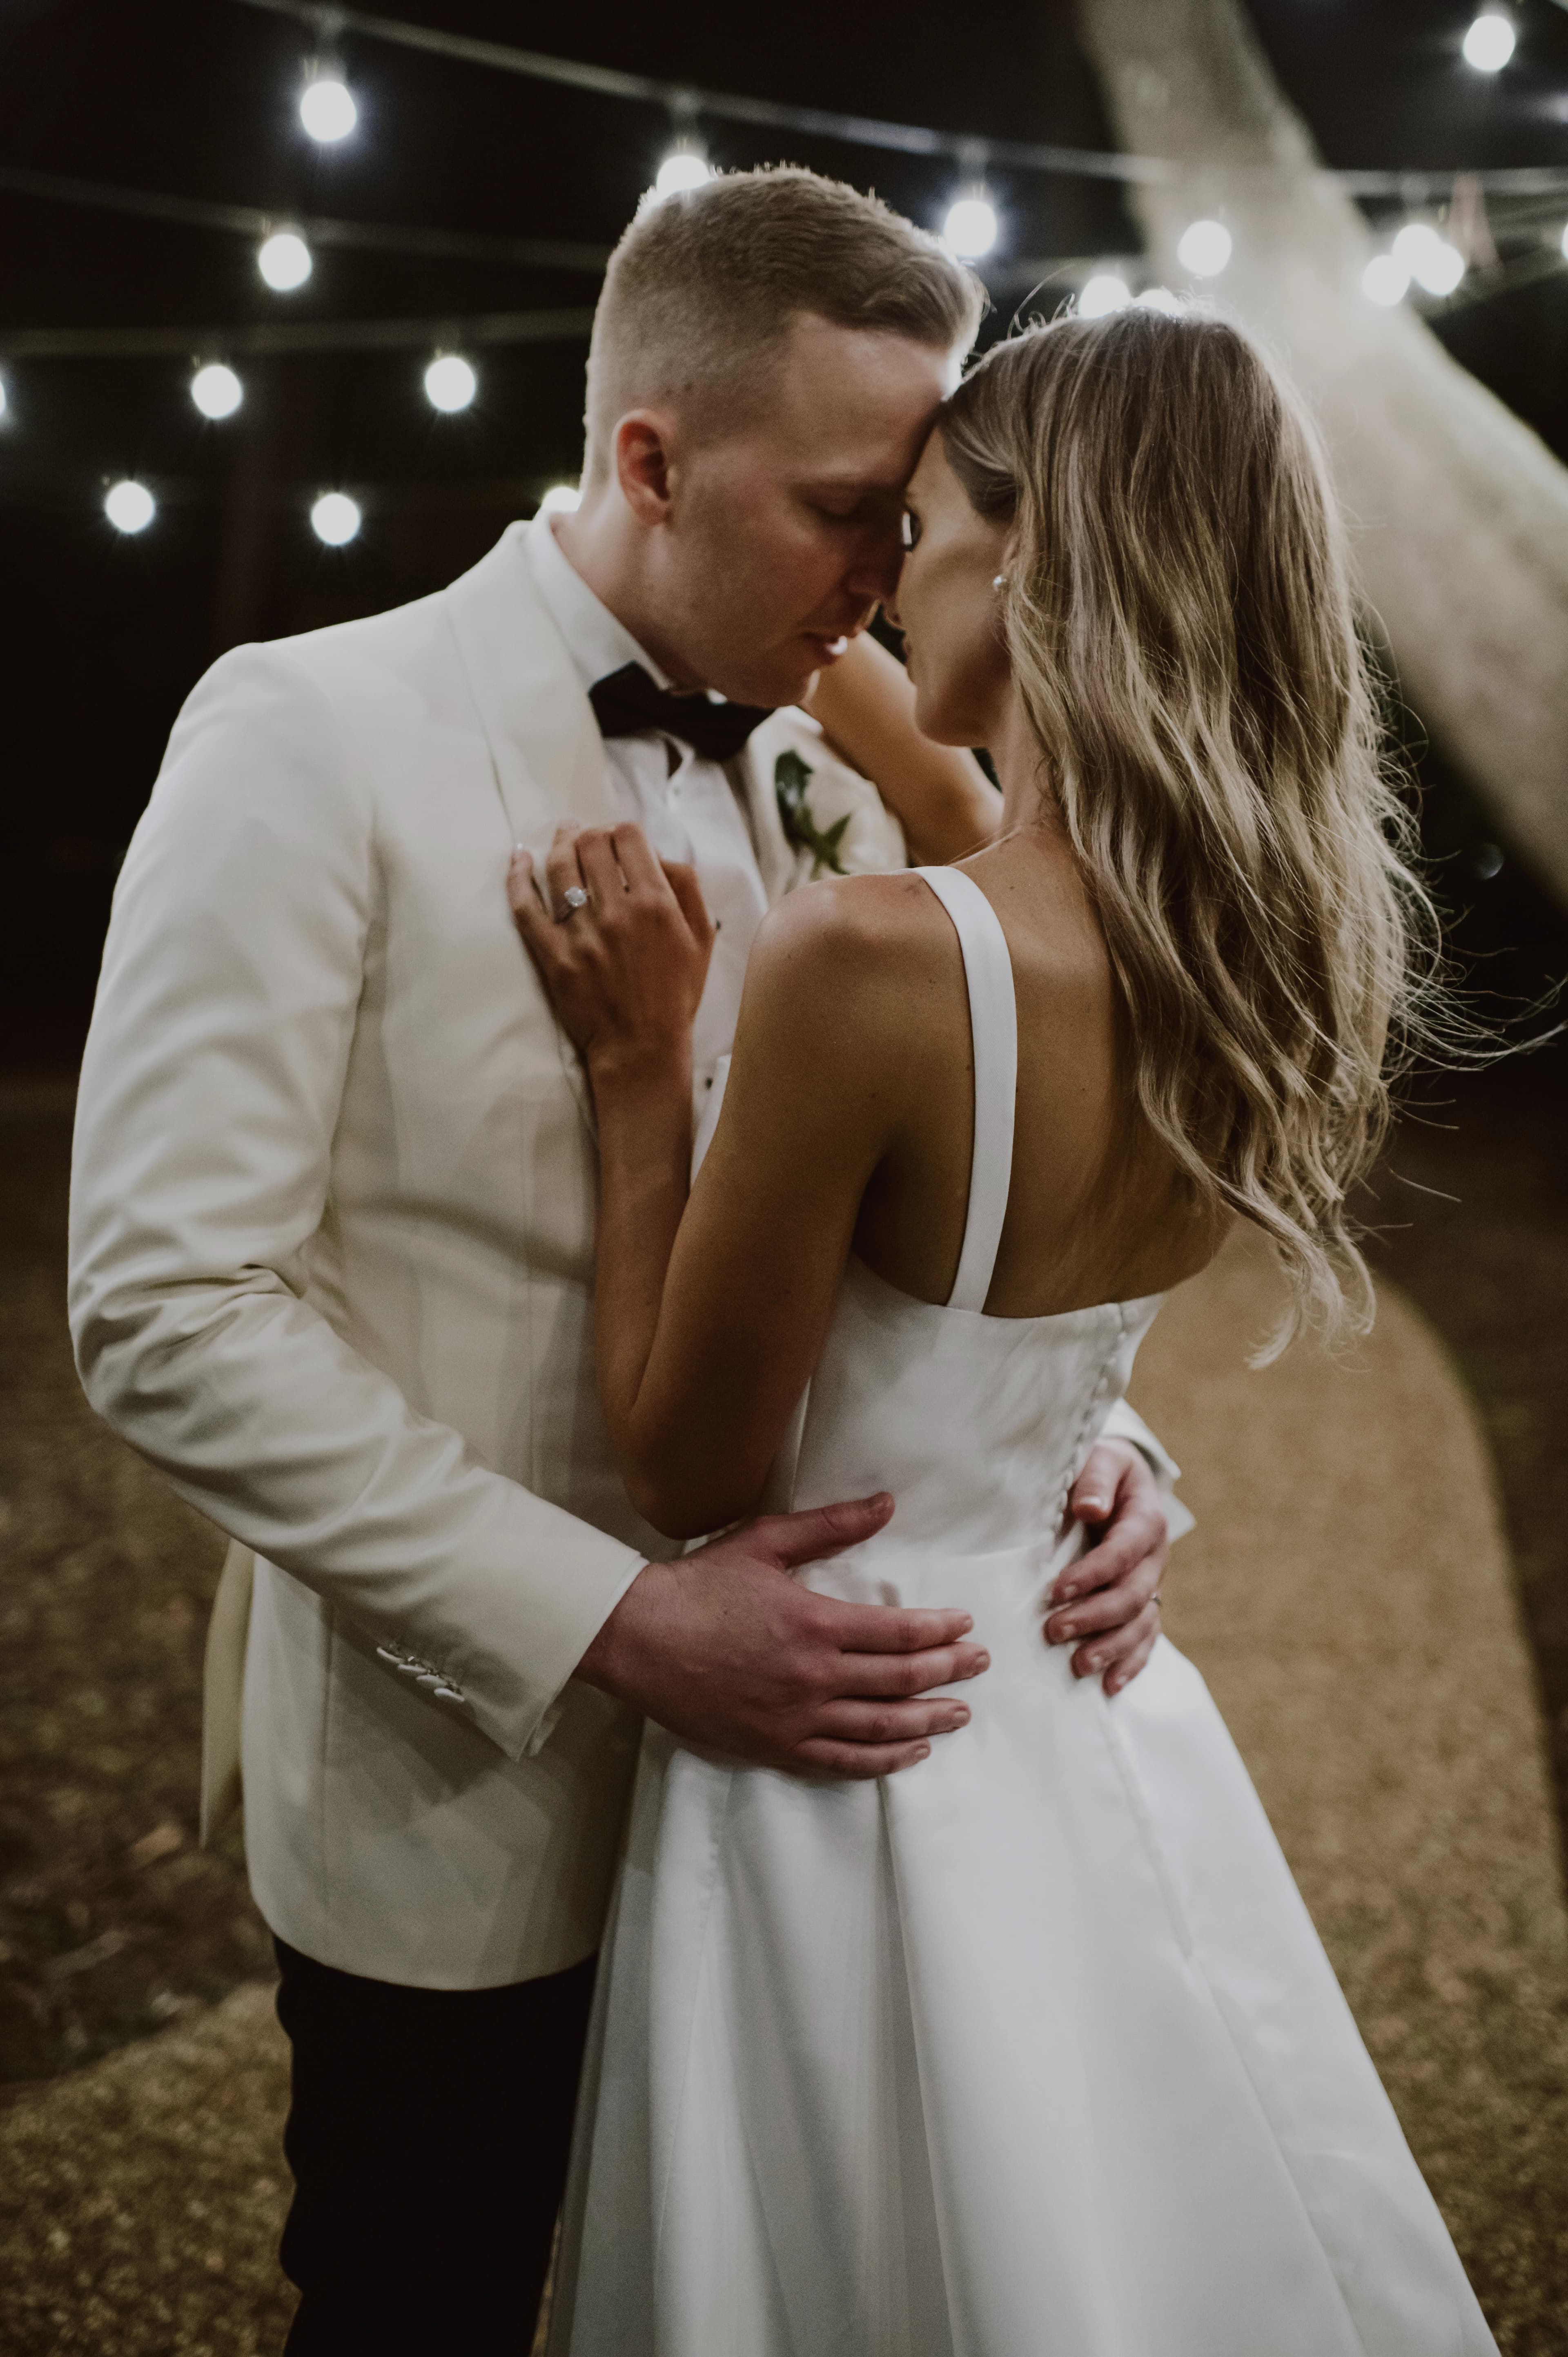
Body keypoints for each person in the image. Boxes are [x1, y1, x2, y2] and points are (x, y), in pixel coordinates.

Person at [66, 169, 1180, 2353]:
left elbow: (905, 1219)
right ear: (649, 457)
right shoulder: (308, 730)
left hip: (811, 1822)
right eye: (854, 507)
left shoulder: (826, 778)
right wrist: (618, 1621)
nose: (896, 577)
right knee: (421, 2301)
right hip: (468, 1794)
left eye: (912, 516)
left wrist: (1096, 1437)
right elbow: (166, 1311)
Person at [513, 308, 1498, 2354]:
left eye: (927, 521)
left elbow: (690, 1468)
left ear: (1035, 562)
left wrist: (638, 1080)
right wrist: (899, 732)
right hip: (1080, 1714)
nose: (880, 579)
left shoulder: (860, 962)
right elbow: (1039, 1327)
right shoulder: (1250, 957)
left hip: (848, 1732)